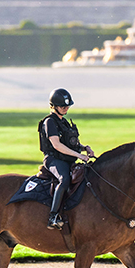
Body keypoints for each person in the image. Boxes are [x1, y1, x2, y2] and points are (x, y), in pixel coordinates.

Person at [38, 88, 95, 229]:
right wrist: (78, 155)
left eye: (67, 106)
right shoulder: (49, 122)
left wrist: (84, 148)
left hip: (67, 159)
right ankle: (53, 216)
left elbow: (70, 143)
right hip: (54, 160)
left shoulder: (63, 122)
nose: (66, 108)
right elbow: (56, 145)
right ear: (53, 106)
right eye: (63, 106)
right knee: (64, 179)